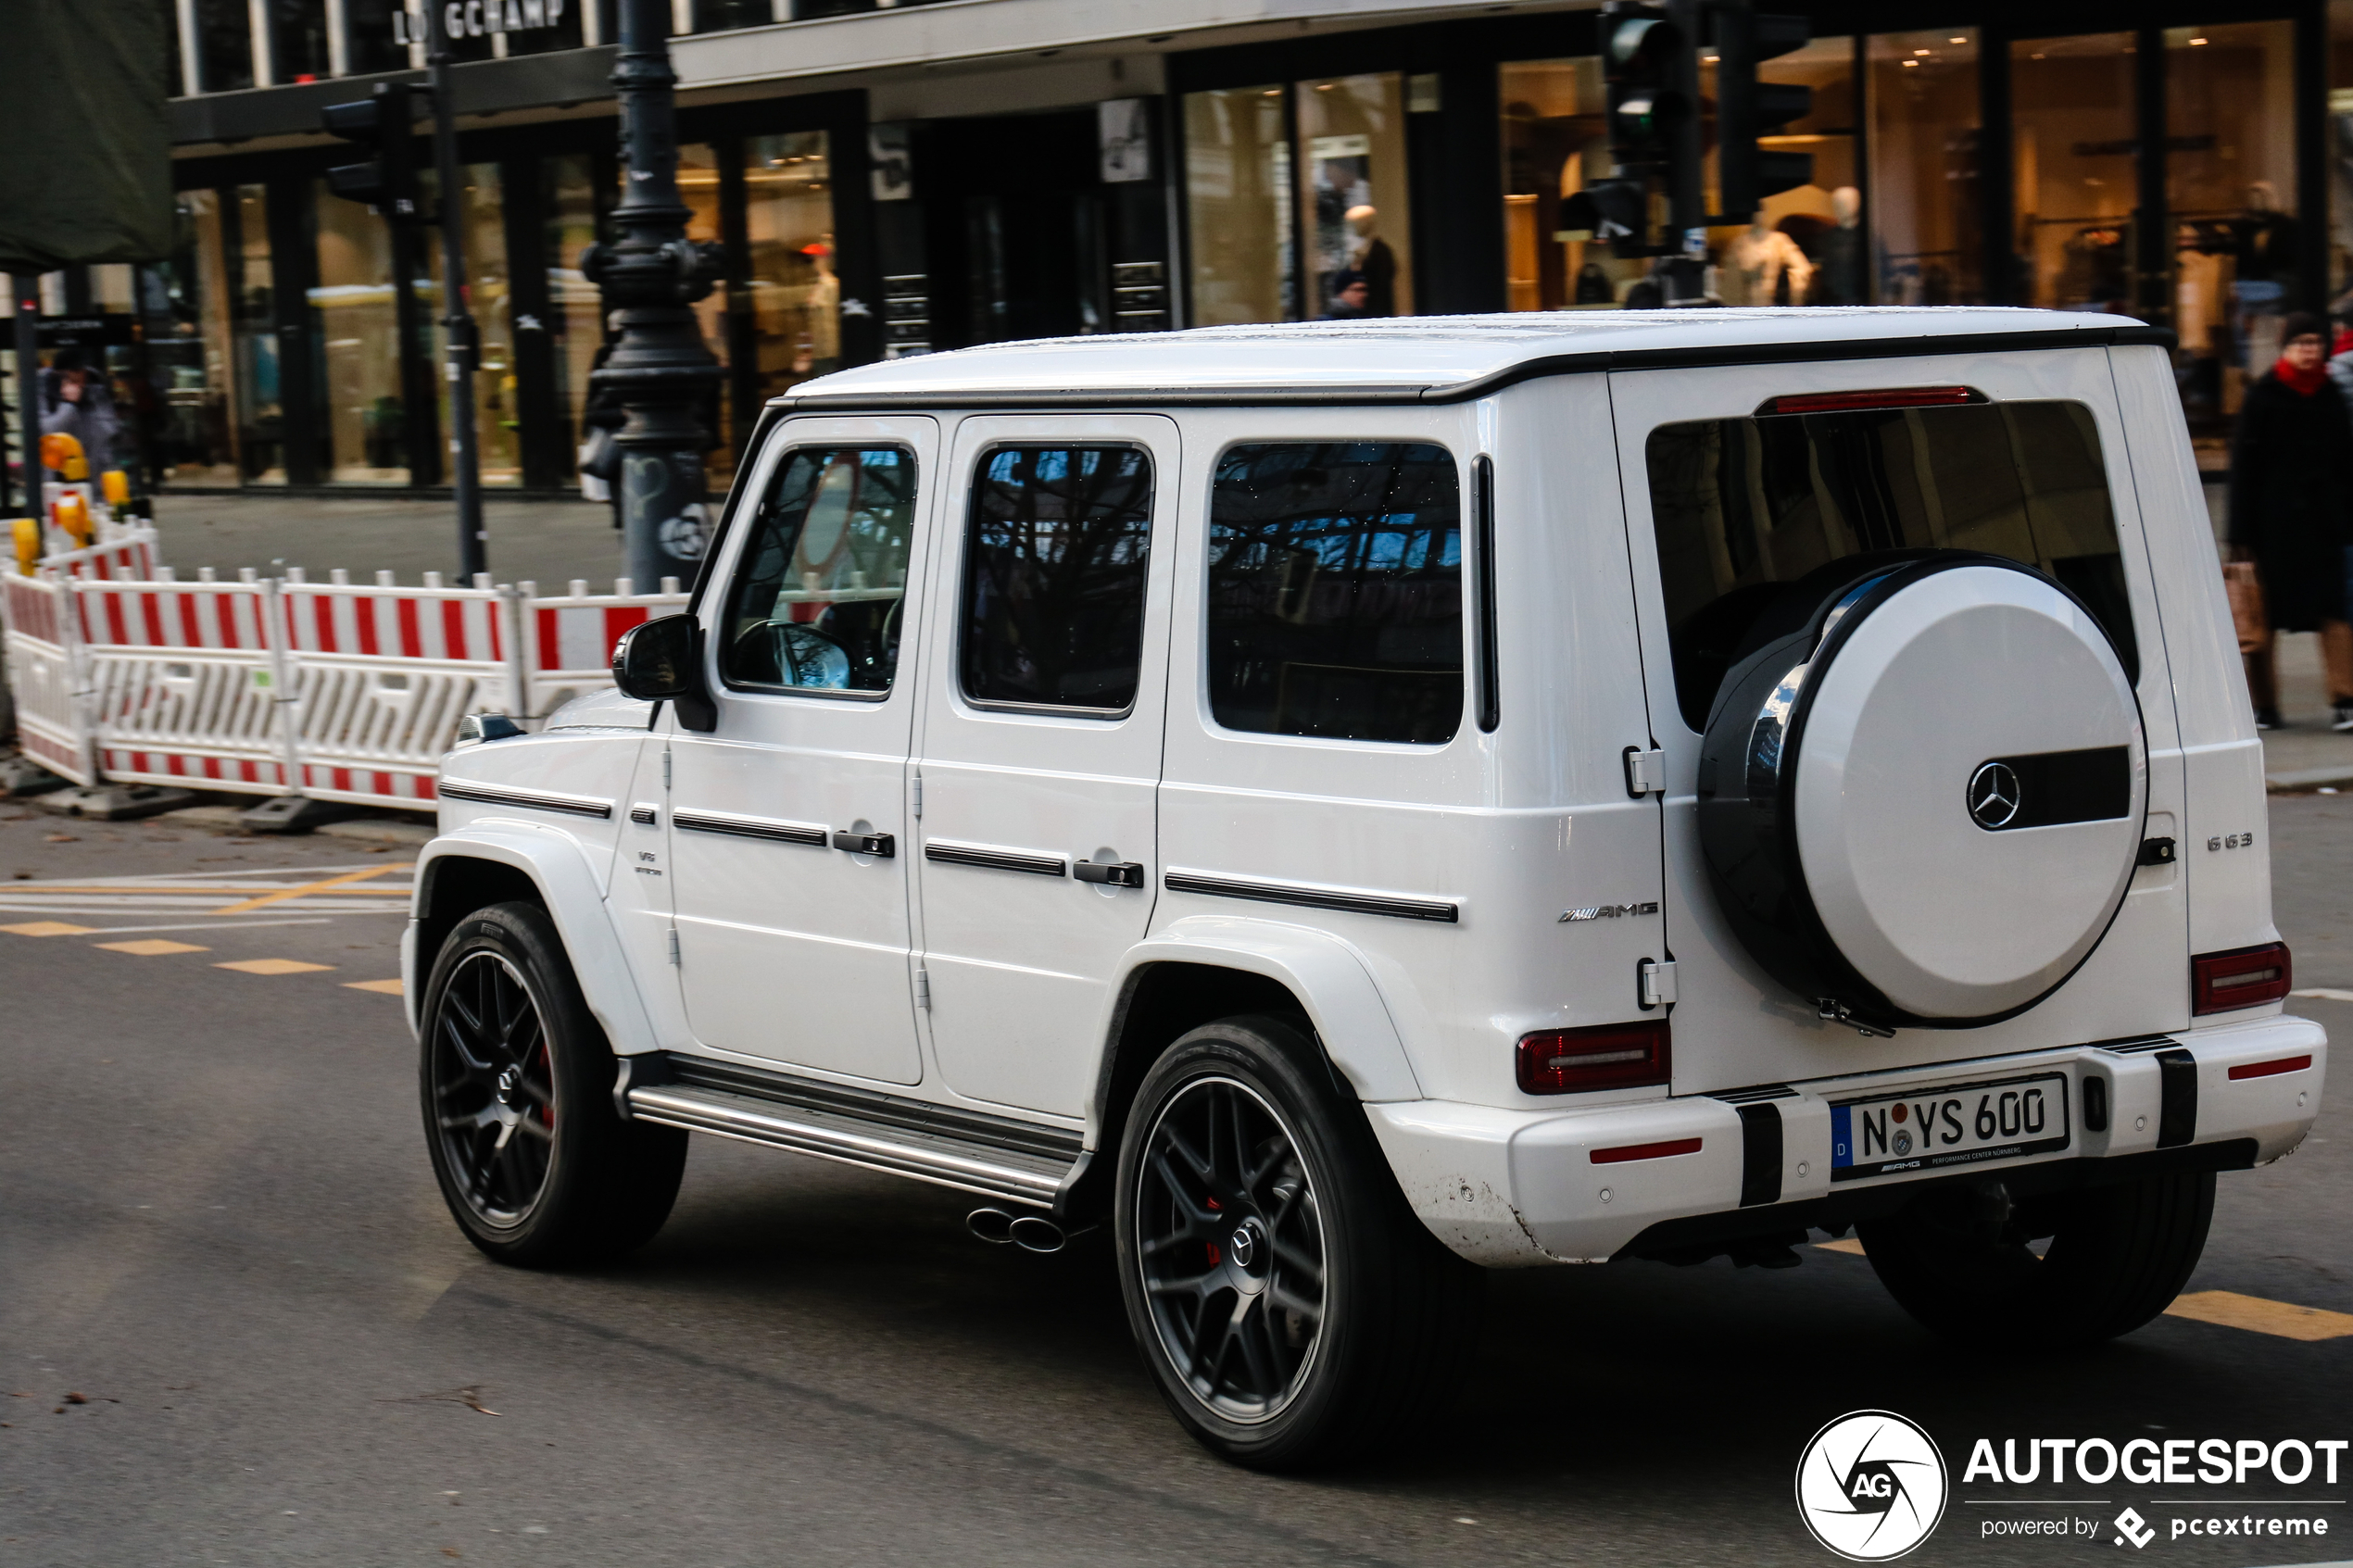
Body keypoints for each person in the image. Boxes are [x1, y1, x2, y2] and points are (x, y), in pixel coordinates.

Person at [2228, 311, 2353, 731]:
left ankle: (2345, 699)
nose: (2309, 351)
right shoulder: (2263, 397)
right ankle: (2265, 706)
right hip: (2272, 527)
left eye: (2315, 344)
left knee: (2334, 615)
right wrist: (2239, 534)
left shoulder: (2330, 395)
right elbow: (2244, 468)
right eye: (2301, 344)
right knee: (2263, 620)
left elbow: (2346, 463)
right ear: (2286, 348)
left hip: (2324, 525)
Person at [40, 348, 121, 477]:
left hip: (94, 474)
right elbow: (46, 432)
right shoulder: (44, 393)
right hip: (57, 476)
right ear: (59, 374)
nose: (82, 375)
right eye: (75, 371)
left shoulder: (95, 390)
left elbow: (110, 430)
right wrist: (68, 405)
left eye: (84, 370)